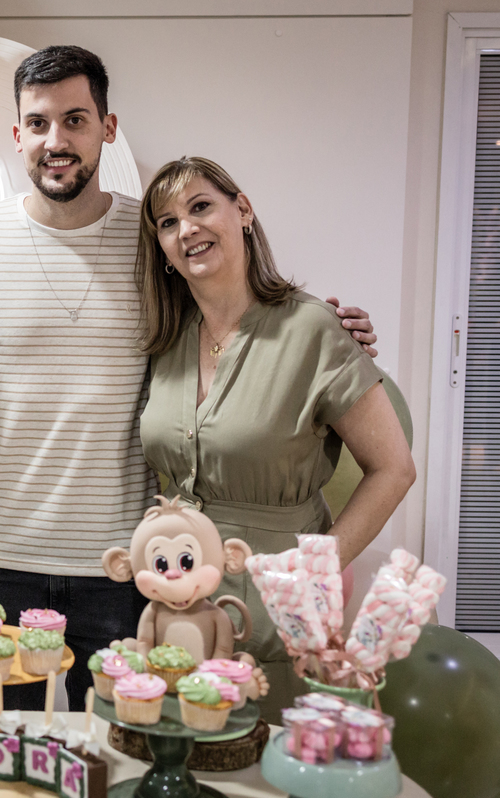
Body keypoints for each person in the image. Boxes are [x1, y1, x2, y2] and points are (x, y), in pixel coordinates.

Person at [0, 45, 378, 711]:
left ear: (107, 129)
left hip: (129, 566)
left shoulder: (150, 237)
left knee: (120, 753)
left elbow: (233, 315)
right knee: (4, 756)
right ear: (17, 134)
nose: (56, 141)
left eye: (76, 120)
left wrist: (333, 327)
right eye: (38, 123)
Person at [135, 155, 416, 720]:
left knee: (270, 770)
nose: (186, 229)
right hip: (178, 606)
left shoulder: (313, 329)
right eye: (167, 222)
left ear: (242, 211)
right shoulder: (165, 343)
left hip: (278, 607)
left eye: (199, 207)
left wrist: (318, 570)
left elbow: (394, 467)